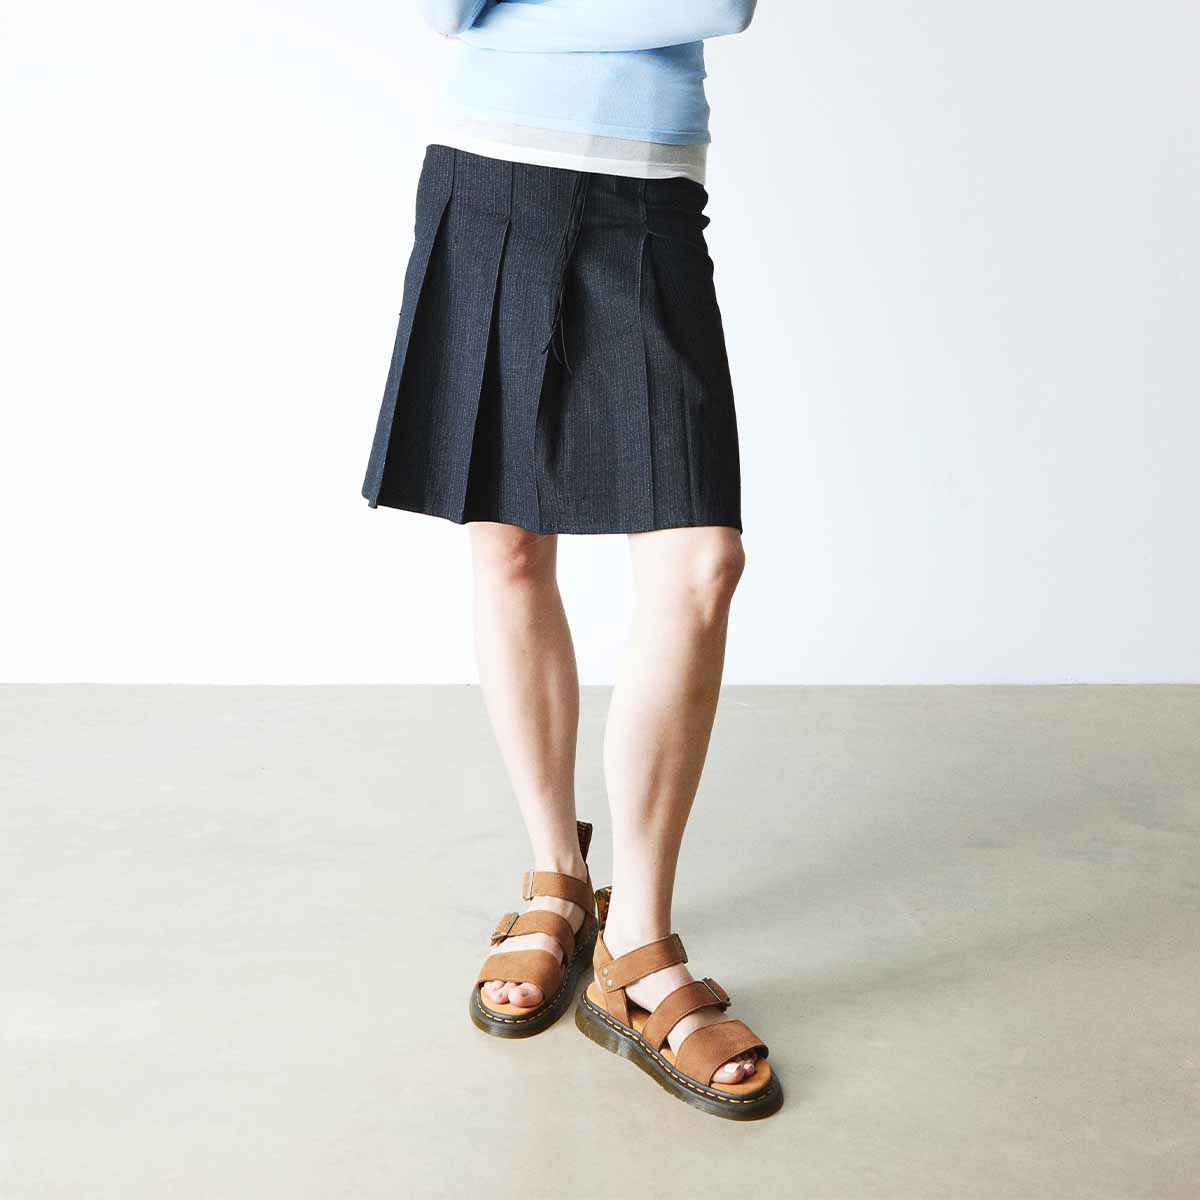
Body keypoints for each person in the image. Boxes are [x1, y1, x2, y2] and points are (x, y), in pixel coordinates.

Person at [362, 0, 780, 1120]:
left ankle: (637, 944)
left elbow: (718, 5)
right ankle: (558, 873)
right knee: (505, 546)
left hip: (644, 201)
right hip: (487, 181)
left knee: (702, 564)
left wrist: (518, 16)